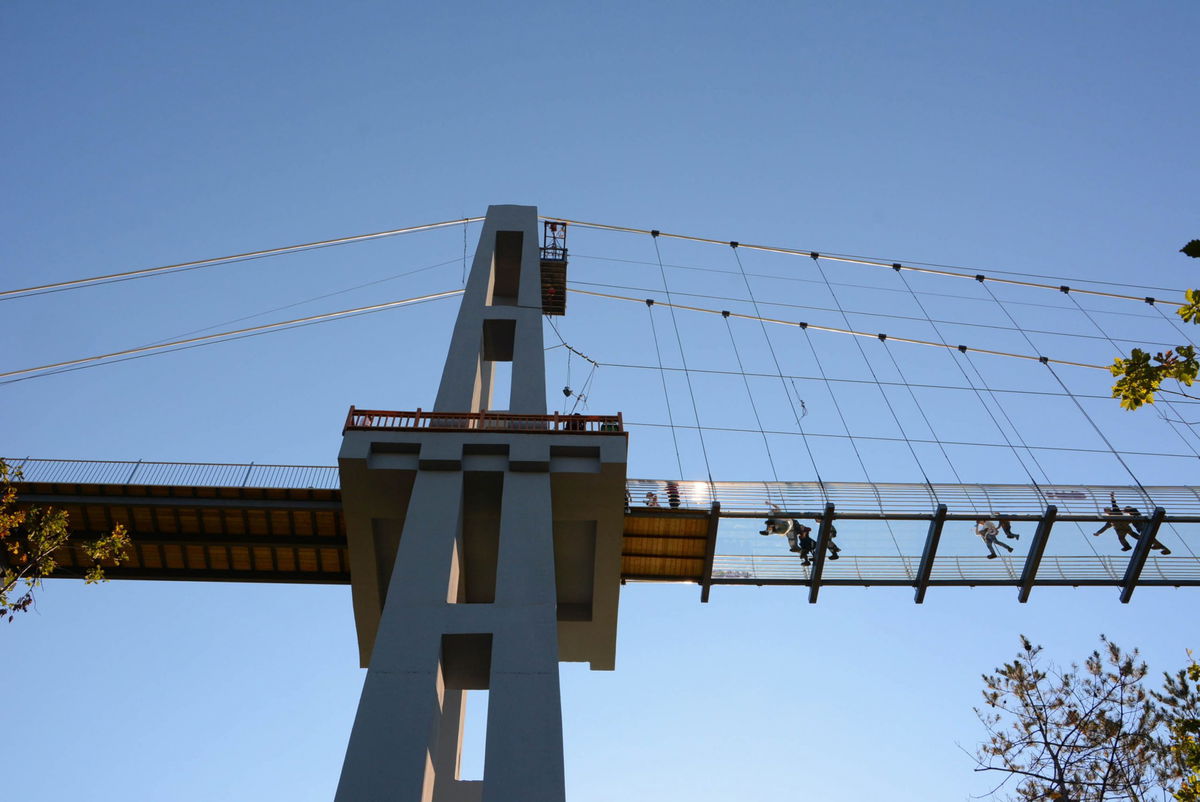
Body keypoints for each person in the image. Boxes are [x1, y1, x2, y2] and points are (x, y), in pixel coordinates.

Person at [1093, 493, 1171, 555]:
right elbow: (1106, 527)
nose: (1106, 511)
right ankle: (1128, 546)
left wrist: (1112, 497)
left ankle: (1144, 543)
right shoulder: (1111, 519)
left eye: (1106, 510)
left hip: (1124, 528)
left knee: (1134, 536)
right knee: (1125, 537)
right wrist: (1098, 533)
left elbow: (1114, 505)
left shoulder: (1116, 512)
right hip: (1122, 528)